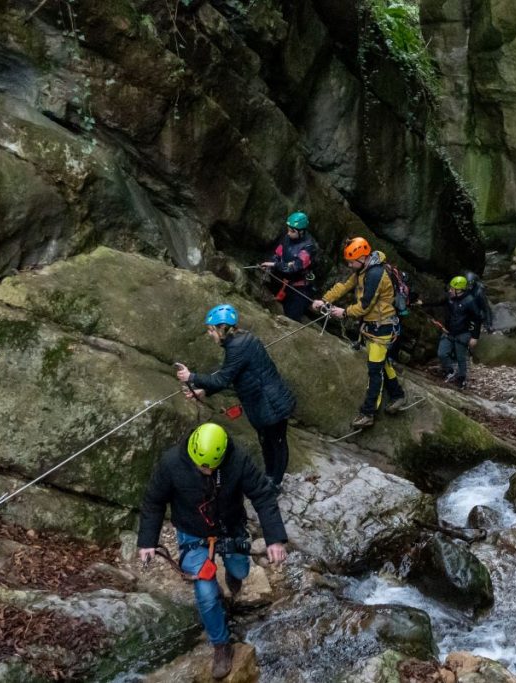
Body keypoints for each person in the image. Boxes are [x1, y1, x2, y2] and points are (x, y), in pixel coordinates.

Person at [137, 422, 288, 680]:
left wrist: (275, 539)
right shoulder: (172, 463)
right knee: (206, 592)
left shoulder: (238, 460)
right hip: (193, 532)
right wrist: (147, 541)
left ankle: (232, 577)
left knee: (239, 569)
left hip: (230, 526)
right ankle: (221, 645)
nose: (205, 471)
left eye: (210, 467)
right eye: (201, 467)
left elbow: (262, 495)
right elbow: (153, 501)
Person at [174, 304, 295, 490]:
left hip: (271, 404)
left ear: (222, 329)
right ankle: (270, 477)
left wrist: (191, 377)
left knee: (276, 444)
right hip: (264, 402)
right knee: (268, 442)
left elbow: (222, 379)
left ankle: (274, 483)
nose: (209, 334)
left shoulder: (238, 346)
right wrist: (205, 391)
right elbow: (231, 375)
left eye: (211, 330)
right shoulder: (240, 340)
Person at [311, 237, 407, 428]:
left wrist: (344, 312)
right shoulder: (363, 269)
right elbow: (344, 286)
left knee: (374, 370)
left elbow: (364, 306)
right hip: (373, 326)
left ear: (363, 257)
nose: (349, 264)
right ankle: (398, 395)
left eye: (351, 261)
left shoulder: (375, 274)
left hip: (382, 327)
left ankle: (368, 413)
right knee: (382, 363)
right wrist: (324, 300)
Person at [425, 275, 486, 389]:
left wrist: (475, 337)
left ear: (459, 290)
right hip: (449, 331)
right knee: (442, 353)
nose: (450, 290)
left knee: (461, 357)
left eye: (452, 289)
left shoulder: (470, 301)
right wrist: (422, 303)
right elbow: (438, 302)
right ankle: (450, 370)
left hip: (463, 333)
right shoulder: (450, 297)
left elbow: (477, 319)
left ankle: (461, 379)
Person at [260, 211, 319, 322]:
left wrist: (274, 265)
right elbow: (278, 254)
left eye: (292, 231)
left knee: (292, 318)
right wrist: (271, 263)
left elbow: (294, 267)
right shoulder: (287, 238)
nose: (288, 233)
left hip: (300, 288)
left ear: (301, 232)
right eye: (288, 229)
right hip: (285, 282)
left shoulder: (308, 247)